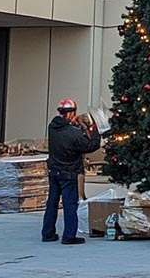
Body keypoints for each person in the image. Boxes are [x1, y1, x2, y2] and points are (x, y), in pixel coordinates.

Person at [41, 98, 101, 244]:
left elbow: (67, 130)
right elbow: (90, 146)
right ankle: (69, 236)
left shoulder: (52, 127)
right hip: (69, 173)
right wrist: (93, 130)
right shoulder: (72, 133)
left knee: (52, 203)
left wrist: (75, 125)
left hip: (54, 171)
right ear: (71, 112)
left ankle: (47, 234)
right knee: (70, 204)